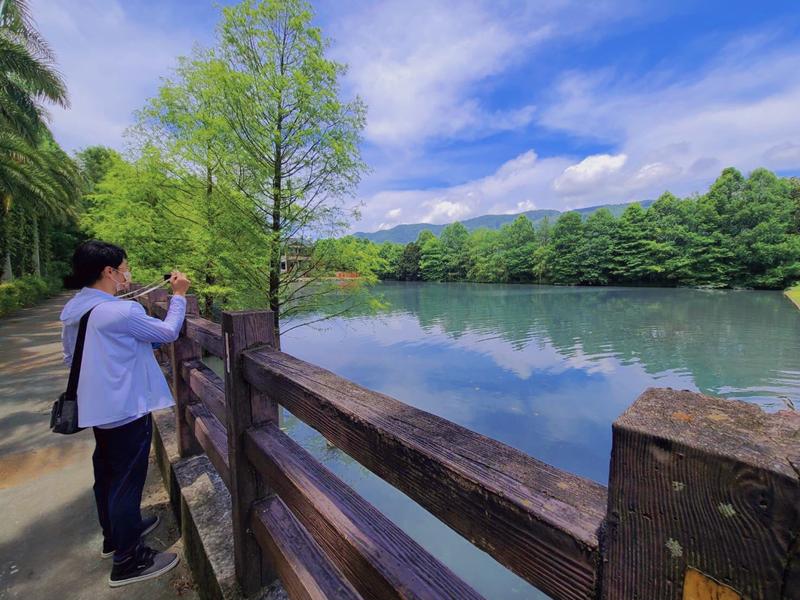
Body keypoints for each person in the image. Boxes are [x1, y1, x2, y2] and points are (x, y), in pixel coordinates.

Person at [60, 240, 190, 587]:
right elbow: (168, 332)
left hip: (98, 408)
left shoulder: (75, 310)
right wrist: (178, 295)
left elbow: (72, 358)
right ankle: (129, 561)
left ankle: (115, 537)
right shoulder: (120, 311)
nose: (127, 274)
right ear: (109, 271)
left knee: (107, 474)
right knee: (125, 482)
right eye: (123, 268)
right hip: (126, 408)